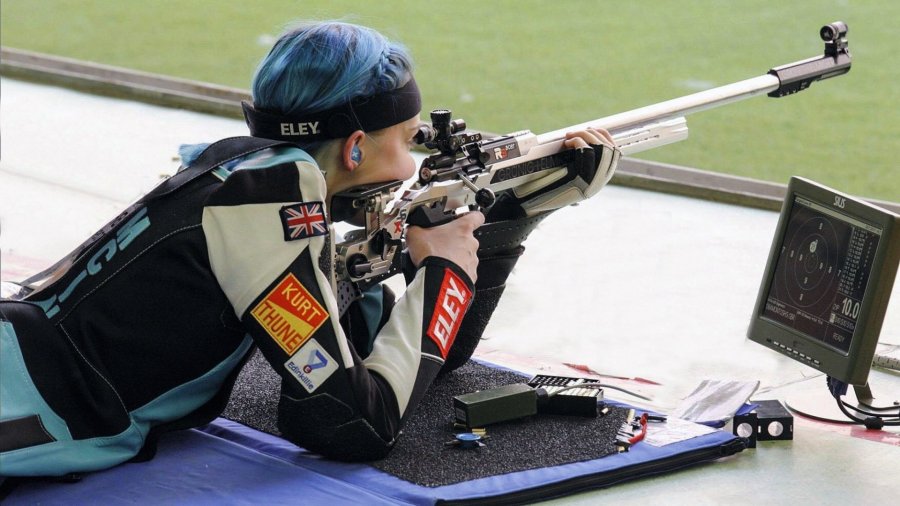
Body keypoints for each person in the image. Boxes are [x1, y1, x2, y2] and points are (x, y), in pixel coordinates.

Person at [0, 21, 618, 477]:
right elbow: (349, 423)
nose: (413, 165)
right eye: (408, 141)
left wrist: (509, 223)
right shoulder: (276, 198)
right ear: (355, 147)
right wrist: (443, 270)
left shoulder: (242, 175)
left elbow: (416, 364)